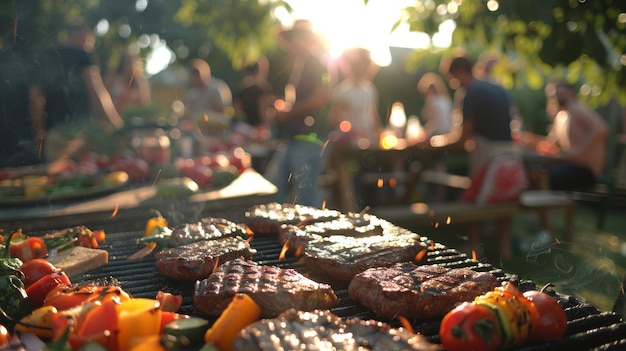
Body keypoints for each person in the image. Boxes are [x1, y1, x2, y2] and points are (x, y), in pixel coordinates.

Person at [437, 55, 519, 259]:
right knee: (504, 201)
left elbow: (463, 136)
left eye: (452, 79)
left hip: (487, 153)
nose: (453, 83)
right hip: (509, 153)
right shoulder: (496, 87)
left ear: (458, 73)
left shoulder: (469, 92)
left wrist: (436, 143)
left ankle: (474, 248)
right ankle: (505, 249)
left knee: (472, 198)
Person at [29, 24, 124, 166]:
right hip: (82, 136)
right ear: (81, 36)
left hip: (54, 136)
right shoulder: (82, 55)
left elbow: (35, 99)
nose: (90, 46)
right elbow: (97, 92)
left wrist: (39, 133)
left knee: (60, 181)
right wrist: (117, 124)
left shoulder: (45, 57)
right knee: (89, 177)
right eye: (90, 42)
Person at [267, 19, 331, 208]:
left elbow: (321, 97)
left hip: (310, 137)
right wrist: (284, 109)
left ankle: (311, 235)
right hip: (295, 136)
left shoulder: (316, 62)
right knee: (275, 187)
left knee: (306, 195)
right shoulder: (300, 64)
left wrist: (289, 112)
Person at [523, 80, 608, 191]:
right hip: (568, 165)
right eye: (551, 91)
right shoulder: (561, 116)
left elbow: (601, 129)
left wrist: (579, 151)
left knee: (554, 176)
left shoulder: (579, 110)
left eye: (558, 89)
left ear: (570, 92)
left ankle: (559, 206)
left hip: (586, 169)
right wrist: (530, 141)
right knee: (535, 171)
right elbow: (550, 143)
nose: (554, 93)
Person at [417, 72, 454, 201]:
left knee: (432, 165)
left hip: (436, 137)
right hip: (448, 136)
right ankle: (441, 194)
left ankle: (434, 196)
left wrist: (423, 134)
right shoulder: (446, 100)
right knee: (440, 165)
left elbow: (433, 123)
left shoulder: (432, 101)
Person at [180, 58, 233, 134]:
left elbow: (222, 115)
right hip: (197, 134)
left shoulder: (217, 89)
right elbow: (190, 115)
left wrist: (203, 120)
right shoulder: (194, 93)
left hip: (215, 136)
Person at [233, 56, 274, 142]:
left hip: (244, 128)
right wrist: (268, 126)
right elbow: (262, 111)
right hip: (259, 130)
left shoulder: (242, 89)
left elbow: (237, 111)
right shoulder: (261, 89)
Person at [104, 49, 151, 114]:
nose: (129, 65)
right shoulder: (112, 79)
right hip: (113, 114)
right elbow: (104, 98)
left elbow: (145, 102)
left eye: (131, 62)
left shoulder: (140, 82)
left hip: (133, 116)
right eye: (126, 62)